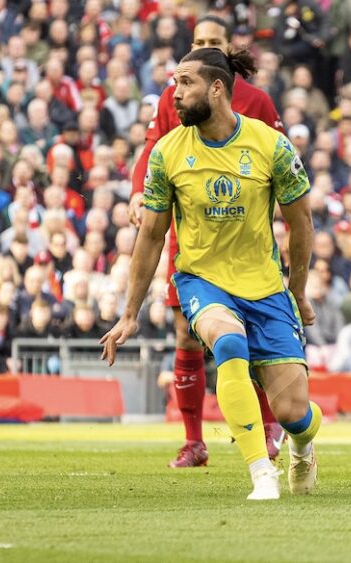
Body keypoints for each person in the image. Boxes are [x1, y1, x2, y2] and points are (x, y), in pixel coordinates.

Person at [102, 47, 320, 501]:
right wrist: (129, 313)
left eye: (185, 84)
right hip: (202, 280)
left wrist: (297, 290)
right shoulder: (167, 153)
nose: (174, 95)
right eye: (173, 84)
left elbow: (300, 223)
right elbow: (151, 238)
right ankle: (261, 472)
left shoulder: (270, 145)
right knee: (228, 343)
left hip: (264, 286)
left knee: (295, 412)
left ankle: (301, 442)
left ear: (216, 88)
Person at [128, 15, 285, 469]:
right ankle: (194, 440)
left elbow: (279, 158)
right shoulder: (170, 99)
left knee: (253, 335)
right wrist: (140, 190)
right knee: (186, 334)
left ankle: (271, 422)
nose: (203, 46)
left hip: (246, 236)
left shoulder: (256, 101)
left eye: (212, 42)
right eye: (197, 41)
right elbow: (154, 149)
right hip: (190, 232)